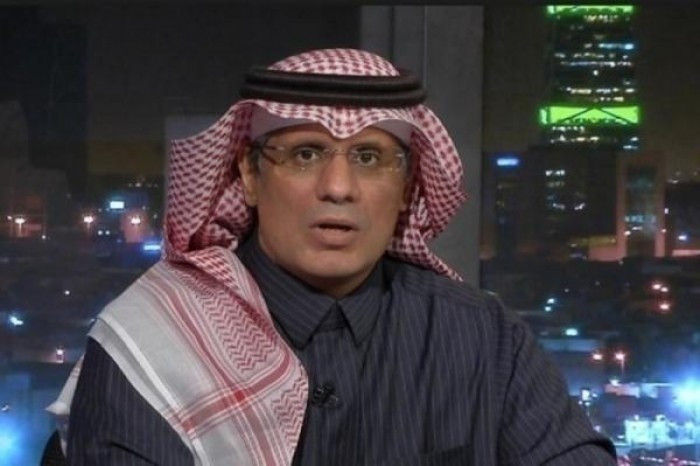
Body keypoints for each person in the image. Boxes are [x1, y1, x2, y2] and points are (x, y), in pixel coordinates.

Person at [48, 48, 617, 465]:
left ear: (407, 186)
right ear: (250, 174)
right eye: (305, 154)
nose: (339, 187)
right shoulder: (156, 340)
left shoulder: (483, 338)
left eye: (369, 157)